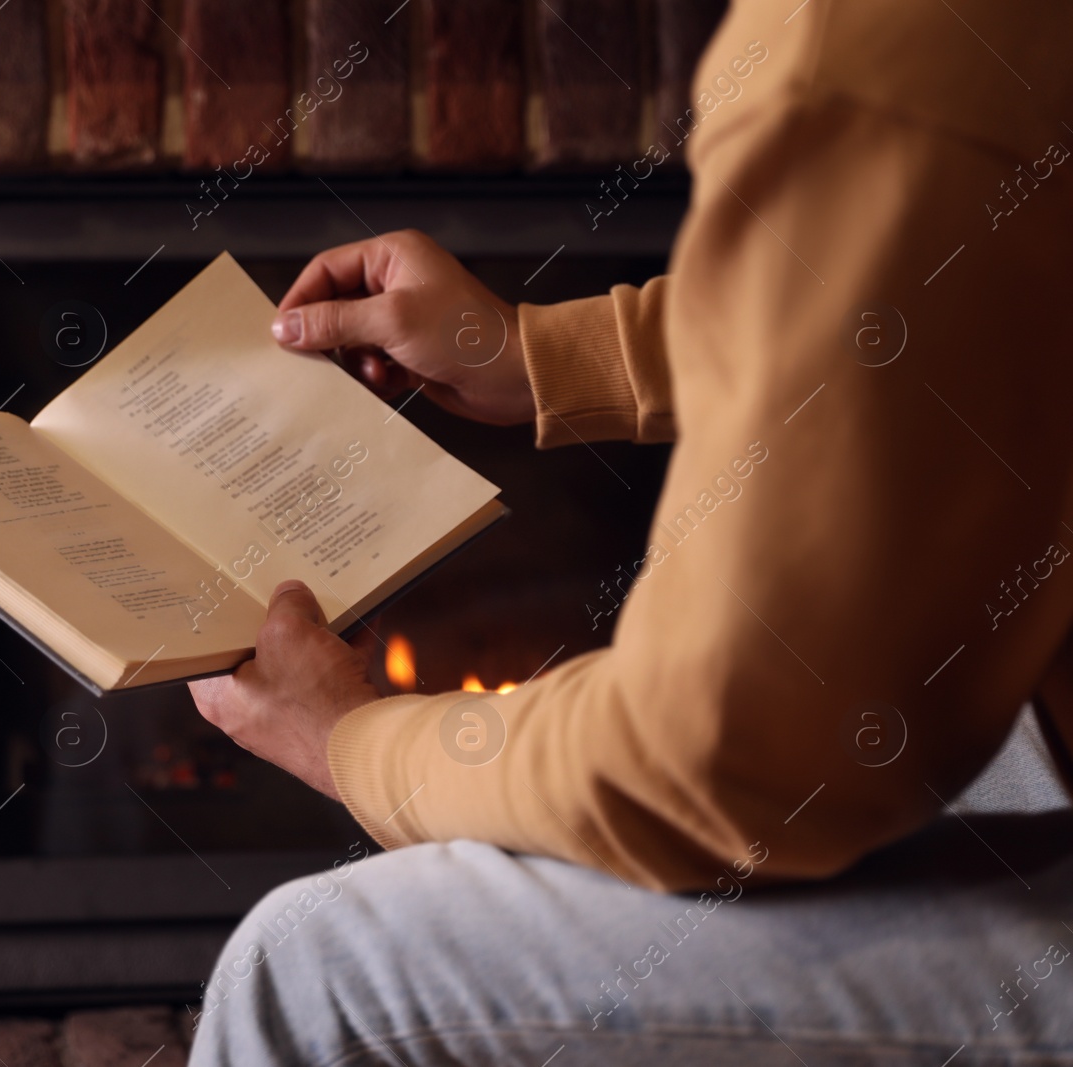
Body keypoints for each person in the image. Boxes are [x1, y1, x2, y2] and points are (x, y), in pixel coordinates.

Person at [186, 0, 1073, 1062]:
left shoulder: (865, 53)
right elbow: (941, 297)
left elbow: (716, 760)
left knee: (313, 963)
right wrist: (547, 357)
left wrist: (360, 745)